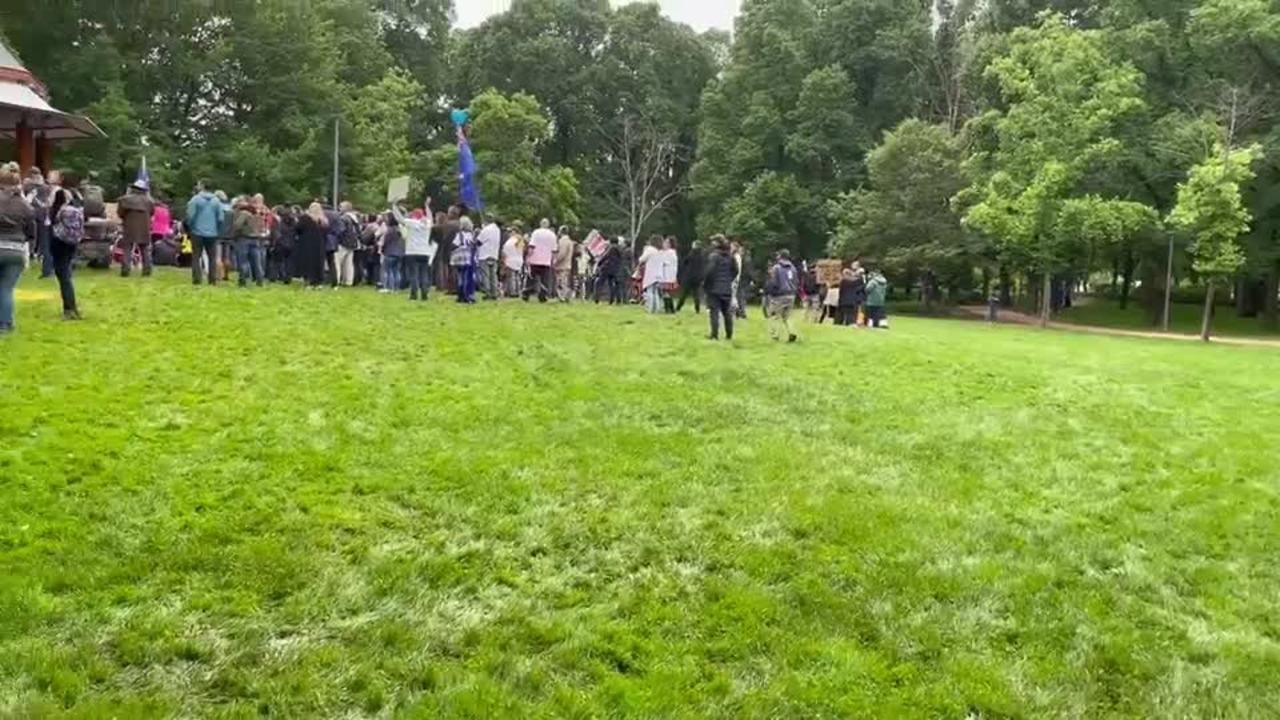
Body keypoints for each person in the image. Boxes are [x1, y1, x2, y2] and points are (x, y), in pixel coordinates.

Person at [0, 167, 36, 334]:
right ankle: (6, 323)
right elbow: (31, 232)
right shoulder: (25, 205)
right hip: (15, 250)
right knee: (6, 288)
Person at [48, 170, 83, 319]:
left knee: (62, 274)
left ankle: (69, 308)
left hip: (60, 237)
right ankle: (72, 308)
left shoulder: (61, 194)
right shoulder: (79, 196)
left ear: (63, 179)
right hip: (74, 237)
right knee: (66, 271)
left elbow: (53, 214)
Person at [393, 195, 435, 302]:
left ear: (414, 216)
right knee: (424, 274)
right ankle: (425, 294)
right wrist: (427, 206)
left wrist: (394, 206)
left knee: (414, 274)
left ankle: (414, 294)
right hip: (425, 252)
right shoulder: (427, 224)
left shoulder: (411, 223)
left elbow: (399, 219)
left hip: (412, 251)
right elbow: (430, 217)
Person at [186, 180, 223, 285]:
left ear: (202, 186)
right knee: (212, 257)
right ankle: (212, 280)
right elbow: (220, 218)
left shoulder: (195, 199)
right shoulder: (217, 201)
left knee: (196, 256)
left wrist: (191, 226)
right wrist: (216, 229)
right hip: (212, 233)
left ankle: (197, 280)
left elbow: (190, 216)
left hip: (197, 232)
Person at [116, 178, 155, 278]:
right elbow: (152, 213)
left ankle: (125, 270)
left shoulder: (124, 200)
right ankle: (147, 270)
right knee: (145, 249)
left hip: (129, 226)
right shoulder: (149, 201)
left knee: (127, 249)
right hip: (144, 227)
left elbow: (120, 213)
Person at [703, 236, 735, 340]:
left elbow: (709, 272)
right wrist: (728, 280)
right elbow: (736, 270)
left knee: (714, 312)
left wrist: (706, 284)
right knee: (727, 312)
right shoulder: (730, 257)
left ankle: (714, 335)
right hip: (726, 288)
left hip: (714, 289)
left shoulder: (714, 256)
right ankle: (729, 334)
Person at [764, 249, 800, 343]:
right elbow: (796, 281)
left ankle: (775, 335)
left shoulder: (776, 268)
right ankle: (792, 332)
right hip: (791, 294)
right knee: (787, 316)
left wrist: (771, 292)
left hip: (779, 295)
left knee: (775, 315)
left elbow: (774, 282)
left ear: (780, 256)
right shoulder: (793, 268)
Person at [231, 197, 266, 287]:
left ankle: (243, 280)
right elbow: (262, 227)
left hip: (244, 239)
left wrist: (235, 231)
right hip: (256, 239)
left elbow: (237, 225)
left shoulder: (244, 213)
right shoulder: (257, 215)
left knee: (243, 261)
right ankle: (260, 280)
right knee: (257, 262)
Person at [296, 202, 329, 289]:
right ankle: (319, 283)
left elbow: (298, 228)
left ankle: (309, 281)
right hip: (320, 244)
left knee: (308, 262)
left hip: (307, 243)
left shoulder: (305, 218)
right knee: (319, 262)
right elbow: (326, 232)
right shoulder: (323, 220)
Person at [524, 219, 557, 302]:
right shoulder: (552, 235)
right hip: (546, 261)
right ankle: (543, 295)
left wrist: (528, 257)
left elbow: (532, 246)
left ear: (540, 224)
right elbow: (554, 250)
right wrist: (552, 260)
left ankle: (527, 293)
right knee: (544, 279)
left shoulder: (536, 232)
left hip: (535, 259)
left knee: (531, 278)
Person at [451, 216, 479, 304]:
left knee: (461, 276)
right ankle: (468, 294)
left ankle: (461, 295)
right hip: (469, 257)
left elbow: (454, 244)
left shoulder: (459, 235)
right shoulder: (471, 235)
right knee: (468, 276)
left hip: (460, 259)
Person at [335, 201, 360, 287]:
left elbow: (341, 230)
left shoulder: (343, 218)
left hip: (343, 242)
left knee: (337, 262)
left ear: (345, 208)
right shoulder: (355, 218)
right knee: (349, 263)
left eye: (341, 207)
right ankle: (349, 281)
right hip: (353, 243)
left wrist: (337, 238)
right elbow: (358, 231)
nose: (339, 208)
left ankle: (337, 280)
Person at [676, 240, 705, 313]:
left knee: (684, 293)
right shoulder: (702, 255)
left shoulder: (691, 254)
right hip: (697, 277)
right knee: (696, 294)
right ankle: (697, 309)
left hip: (689, 277)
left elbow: (685, 262)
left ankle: (678, 307)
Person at [476, 217, 501, 300]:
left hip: (485, 255)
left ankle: (488, 292)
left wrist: (480, 232)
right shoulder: (497, 230)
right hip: (494, 254)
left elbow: (479, 242)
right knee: (493, 275)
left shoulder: (486, 229)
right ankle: (494, 293)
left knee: (486, 275)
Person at [638, 235, 664, 314]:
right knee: (655, 292)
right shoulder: (660, 251)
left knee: (650, 292)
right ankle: (657, 308)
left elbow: (641, 259)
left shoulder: (650, 250)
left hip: (651, 274)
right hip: (659, 274)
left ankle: (650, 308)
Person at [379, 214, 404, 293]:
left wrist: (382, 250)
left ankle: (389, 287)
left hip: (389, 252)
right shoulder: (400, 230)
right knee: (397, 271)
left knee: (388, 271)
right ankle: (396, 288)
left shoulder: (389, 230)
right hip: (399, 252)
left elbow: (386, 242)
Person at [595, 240, 624, 305]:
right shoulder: (620, 249)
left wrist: (599, 263)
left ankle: (597, 298)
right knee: (614, 285)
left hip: (608, 268)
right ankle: (615, 300)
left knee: (600, 283)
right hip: (616, 269)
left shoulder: (611, 247)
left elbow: (606, 256)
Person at [502, 223, 525, 297]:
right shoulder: (521, 241)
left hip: (511, 260)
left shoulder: (510, 241)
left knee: (511, 277)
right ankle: (518, 291)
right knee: (517, 277)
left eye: (510, 231)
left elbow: (505, 251)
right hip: (519, 260)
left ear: (513, 232)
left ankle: (512, 292)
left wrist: (504, 261)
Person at [554, 226, 575, 303]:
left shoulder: (563, 241)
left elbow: (562, 253)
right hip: (568, 264)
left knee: (561, 282)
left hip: (562, 265)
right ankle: (566, 296)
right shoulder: (570, 241)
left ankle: (563, 296)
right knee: (565, 281)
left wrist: (556, 261)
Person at [659, 236, 679, 314]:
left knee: (667, 292)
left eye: (666, 242)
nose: (664, 244)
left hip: (668, 276)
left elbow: (664, 262)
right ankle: (669, 308)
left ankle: (669, 308)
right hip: (667, 275)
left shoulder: (670, 252)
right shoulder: (669, 252)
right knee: (666, 293)